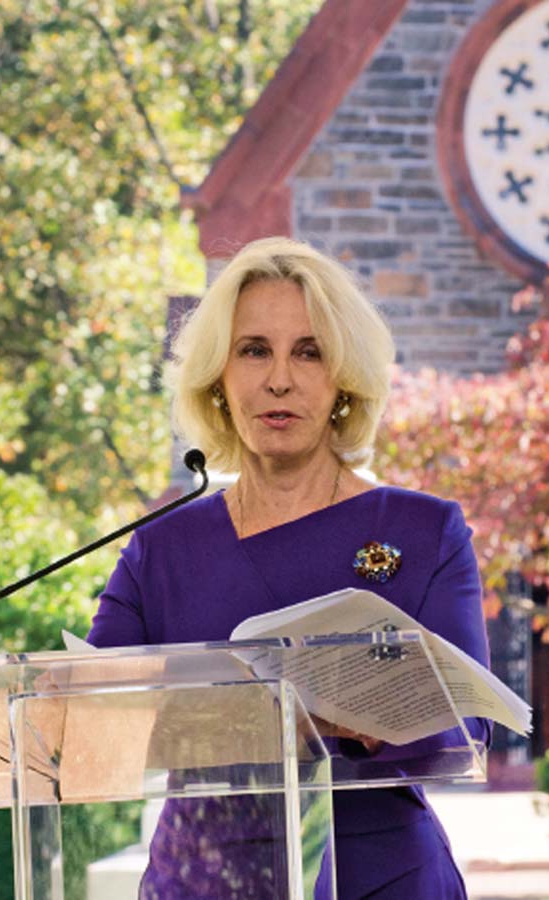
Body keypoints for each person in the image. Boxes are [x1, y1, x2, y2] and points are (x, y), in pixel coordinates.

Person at [88, 236, 492, 899]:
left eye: (309, 351)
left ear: (344, 378)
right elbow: (94, 723)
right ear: (218, 377)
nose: (280, 378)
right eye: (254, 350)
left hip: (379, 878)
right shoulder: (160, 549)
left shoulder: (425, 531)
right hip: (204, 880)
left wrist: (360, 719)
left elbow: (467, 729)